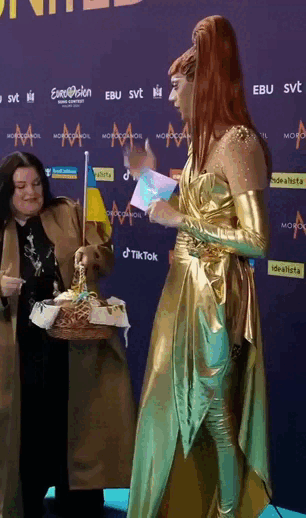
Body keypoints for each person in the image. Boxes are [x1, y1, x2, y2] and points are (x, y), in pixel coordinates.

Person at [124, 15, 271, 518]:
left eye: (176, 86)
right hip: (184, 289)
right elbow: (190, 207)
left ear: (201, 83)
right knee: (169, 405)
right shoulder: (201, 145)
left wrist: (181, 220)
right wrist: (146, 180)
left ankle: (227, 513)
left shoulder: (238, 143)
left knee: (215, 415)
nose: (170, 97)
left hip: (216, 295)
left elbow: (256, 240)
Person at [0, 151, 136, 518]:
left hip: (72, 346)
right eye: (21, 186)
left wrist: (93, 255)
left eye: (37, 183)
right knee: (28, 435)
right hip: (21, 352)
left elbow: (105, 253)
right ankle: (28, 501)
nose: (31, 192)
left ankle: (80, 503)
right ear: (6, 190)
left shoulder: (68, 212)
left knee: (77, 428)